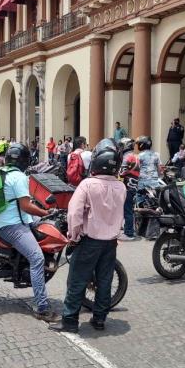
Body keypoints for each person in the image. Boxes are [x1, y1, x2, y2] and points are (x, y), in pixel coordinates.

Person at [50, 139, 126, 333]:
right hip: (110, 243)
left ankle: (69, 322)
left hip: (88, 241)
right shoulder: (121, 187)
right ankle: (99, 319)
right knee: (105, 280)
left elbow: (74, 214)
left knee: (77, 280)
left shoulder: (87, 184)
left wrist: (73, 237)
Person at [0, 142, 58, 322]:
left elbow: (20, 203)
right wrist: (45, 212)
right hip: (12, 225)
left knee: (45, 225)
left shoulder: (3, 173)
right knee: (37, 258)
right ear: (24, 160)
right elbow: (25, 205)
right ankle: (42, 308)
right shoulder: (20, 177)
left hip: (10, 219)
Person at [118, 137, 139, 242]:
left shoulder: (127, 158)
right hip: (134, 185)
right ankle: (130, 230)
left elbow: (121, 173)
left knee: (127, 211)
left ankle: (129, 233)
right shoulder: (136, 156)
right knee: (130, 210)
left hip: (127, 186)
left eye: (122, 145)